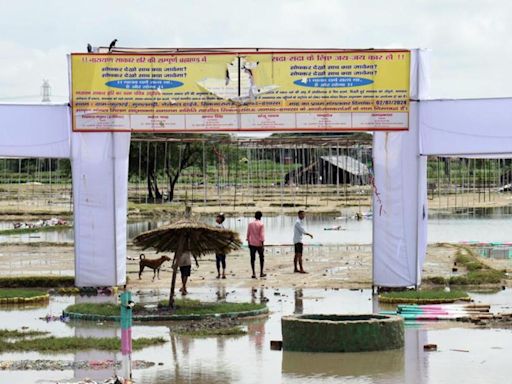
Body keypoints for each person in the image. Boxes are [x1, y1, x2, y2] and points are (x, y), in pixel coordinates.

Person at [246, 210, 266, 278]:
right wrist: (262, 244)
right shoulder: (261, 224)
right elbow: (262, 235)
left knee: (252, 258)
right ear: (261, 217)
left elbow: (248, 234)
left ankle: (253, 273)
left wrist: (248, 242)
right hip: (259, 244)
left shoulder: (250, 224)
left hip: (252, 243)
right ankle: (261, 272)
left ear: (255, 216)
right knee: (261, 258)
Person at [215, 213, 227, 279]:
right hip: (220, 245)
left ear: (221, 219)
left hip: (220, 246)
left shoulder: (219, 226)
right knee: (221, 260)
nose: (216, 218)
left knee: (220, 260)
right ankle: (221, 273)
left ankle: (221, 273)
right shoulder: (221, 226)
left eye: (218, 217)